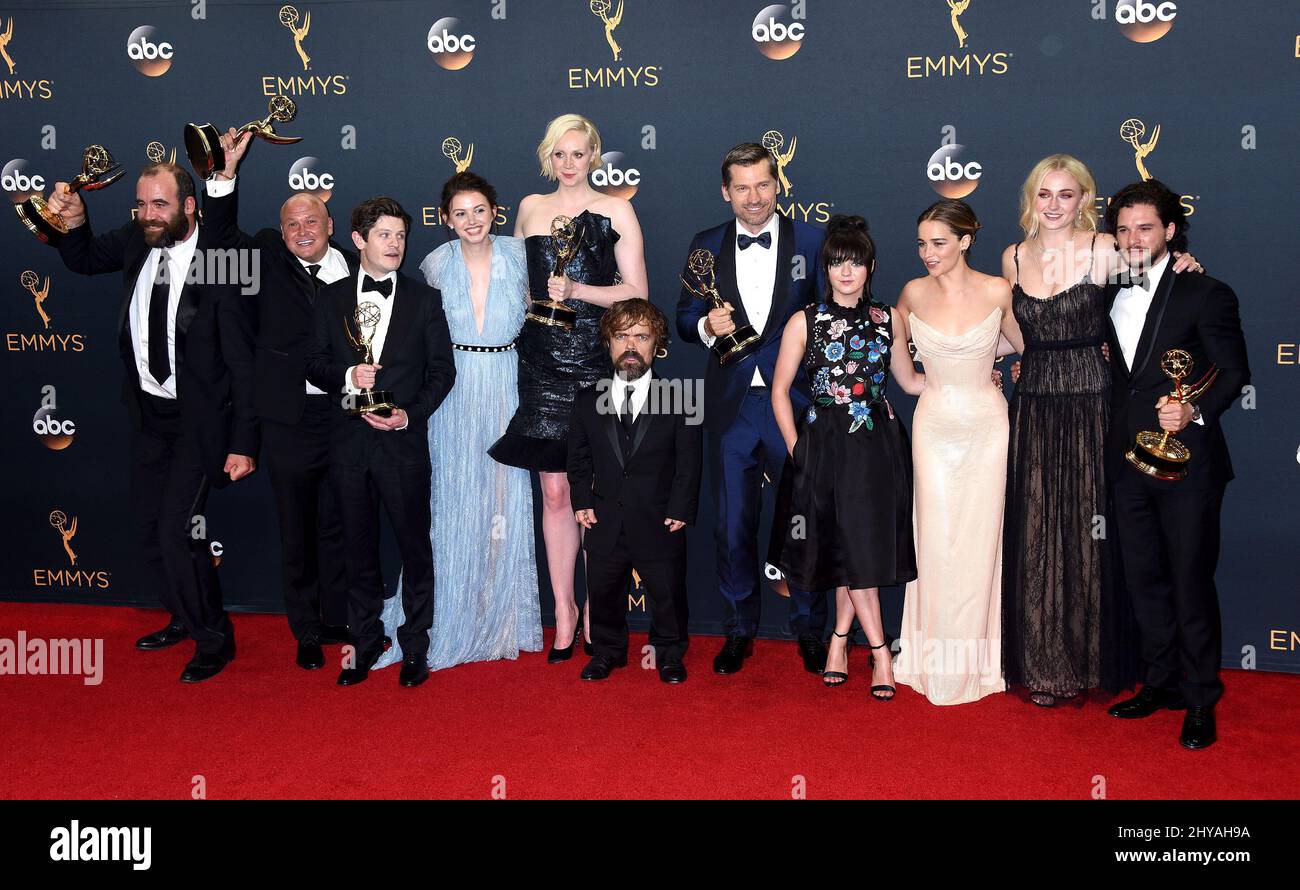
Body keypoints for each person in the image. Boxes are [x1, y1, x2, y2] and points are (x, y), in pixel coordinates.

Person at [1000, 155, 1203, 707]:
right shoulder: (1013, 258)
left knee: (1089, 535)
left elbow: (1156, 292)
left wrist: (1183, 262)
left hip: (1094, 405)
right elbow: (1010, 333)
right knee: (1040, 529)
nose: (1054, 205)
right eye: (1045, 194)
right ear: (1030, 200)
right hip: (1036, 404)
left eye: (1067, 195)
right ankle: (1044, 664)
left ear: (1085, 201)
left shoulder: (1105, 250)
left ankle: (1090, 660)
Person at [44, 162, 258, 683]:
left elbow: (245, 363)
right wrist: (72, 221)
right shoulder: (139, 239)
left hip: (199, 421)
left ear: (189, 205)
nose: (147, 215)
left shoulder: (222, 260)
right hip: (149, 413)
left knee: (177, 532)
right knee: (147, 527)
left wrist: (243, 440)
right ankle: (183, 616)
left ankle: (214, 638)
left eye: (159, 204)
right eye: (140, 204)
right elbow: (86, 258)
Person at [489, 113, 648, 663]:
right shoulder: (530, 209)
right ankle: (563, 610)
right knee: (553, 492)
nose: (568, 163)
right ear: (547, 157)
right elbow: (515, 288)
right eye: (559, 153)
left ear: (594, 157)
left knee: (594, 496)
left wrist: (578, 287)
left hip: (594, 363)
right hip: (539, 362)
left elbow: (637, 295)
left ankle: (598, 610)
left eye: (578, 153)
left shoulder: (616, 209)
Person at [373, 172, 543, 672]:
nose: (471, 221)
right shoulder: (433, 263)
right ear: (445, 219)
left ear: (496, 212)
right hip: (452, 390)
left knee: (502, 499)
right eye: (460, 213)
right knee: (450, 498)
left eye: (480, 210)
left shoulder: (519, 255)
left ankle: (501, 616)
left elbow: (542, 315)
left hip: (508, 384)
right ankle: (442, 611)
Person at [1102, 179, 1249, 750]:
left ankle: (1199, 696)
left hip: (1190, 467)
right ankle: (1158, 682)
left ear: (1170, 230)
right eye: (1123, 229)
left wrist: (1192, 410)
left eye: (1145, 227)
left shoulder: (1206, 291)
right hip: (1126, 463)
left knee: (1189, 579)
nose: (1134, 238)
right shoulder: (1106, 289)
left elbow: (1234, 372)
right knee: (1142, 578)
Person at [201, 128, 356, 671]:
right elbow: (217, 246)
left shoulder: (357, 271)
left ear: (332, 226)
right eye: (292, 223)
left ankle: (339, 617)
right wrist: (223, 175)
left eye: (312, 221)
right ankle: (307, 630)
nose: (301, 230)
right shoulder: (264, 256)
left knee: (341, 520)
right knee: (298, 526)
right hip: (289, 419)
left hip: (345, 416)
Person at [674, 142, 829, 677]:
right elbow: (682, 318)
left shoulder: (812, 241)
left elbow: (832, 317)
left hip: (797, 405)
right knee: (732, 525)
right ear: (726, 192)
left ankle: (809, 627)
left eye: (763, 184)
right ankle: (738, 630)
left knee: (804, 522)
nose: (754, 197)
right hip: (731, 409)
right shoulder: (705, 244)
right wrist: (703, 326)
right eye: (742, 187)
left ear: (777, 184)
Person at [305, 197, 456, 688]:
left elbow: (442, 372)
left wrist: (408, 415)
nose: (395, 244)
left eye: (401, 235)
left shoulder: (424, 298)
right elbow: (314, 364)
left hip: (402, 446)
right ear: (358, 240)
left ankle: (415, 646)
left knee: (415, 548)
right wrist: (350, 376)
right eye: (385, 235)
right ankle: (366, 640)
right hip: (348, 443)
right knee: (357, 548)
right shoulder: (329, 297)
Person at [768, 215, 920, 699]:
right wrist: (797, 450)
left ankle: (839, 642)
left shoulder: (889, 319)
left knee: (858, 548)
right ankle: (878, 652)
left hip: (877, 446)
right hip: (824, 447)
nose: (846, 271)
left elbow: (911, 381)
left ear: (870, 266)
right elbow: (779, 392)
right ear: (826, 269)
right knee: (843, 546)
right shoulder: (805, 320)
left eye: (855, 262)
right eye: (837, 263)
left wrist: (974, 376)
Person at [893, 199, 1021, 706]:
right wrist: (940, 378)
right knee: (936, 539)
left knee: (980, 538)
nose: (928, 253)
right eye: (922, 243)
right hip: (934, 425)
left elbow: (1022, 344)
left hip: (988, 426)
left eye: (939, 243)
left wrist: (981, 361)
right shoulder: (911, 293)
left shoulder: (998, 290)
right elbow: (901, 370)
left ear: (966, 241)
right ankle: (929, 658)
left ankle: (979, 664)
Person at [568, 299, 702, 683]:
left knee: (668, 595)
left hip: (660, 518)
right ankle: (608, 651)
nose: (631, 345)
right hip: (605, 518)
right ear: (608, 343)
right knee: (604, 592)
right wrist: (581, 501)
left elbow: (689, 462)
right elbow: (577, 459)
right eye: (621, 336)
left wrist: (681, 507)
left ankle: (669, 654)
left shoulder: (682, 399)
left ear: (656, 343)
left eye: (641, 336)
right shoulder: (586, 401)